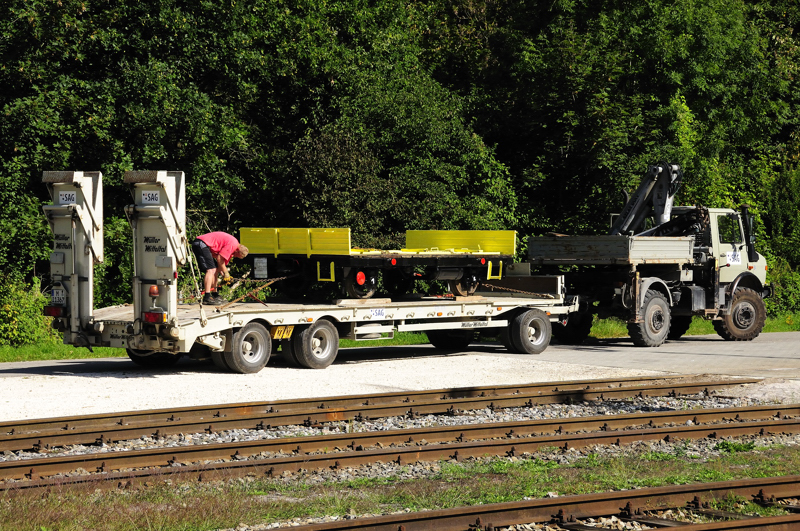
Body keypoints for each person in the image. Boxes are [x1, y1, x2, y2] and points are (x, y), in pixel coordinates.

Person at [191, 232, 249, 305]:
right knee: (211, 270)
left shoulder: (233, 246)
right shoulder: (232, 245)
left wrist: (224, 275)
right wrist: (226, 273)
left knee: (215, 270)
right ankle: (207, 297)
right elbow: (219, 259)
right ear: (237, 250)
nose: (235, 256)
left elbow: (220, 266)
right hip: (201, 243)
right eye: (236, 255)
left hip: (203, 245)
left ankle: (215, 294)